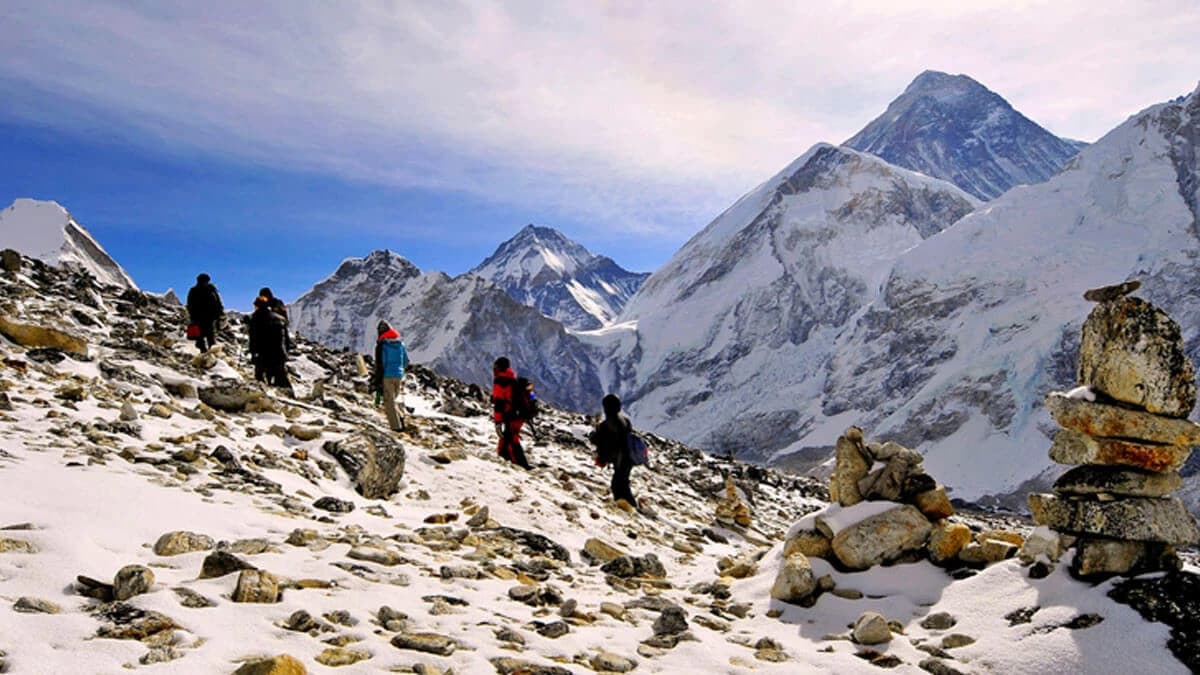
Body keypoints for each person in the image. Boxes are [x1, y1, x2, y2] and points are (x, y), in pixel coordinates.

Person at [588, 394, 638, 509]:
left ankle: (627, 508)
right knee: (622, 482)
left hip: (620, 459)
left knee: (618, 485)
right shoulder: (625, 420)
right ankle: (629, 506)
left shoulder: (607, 424)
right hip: (628, 457)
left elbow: (601, 440)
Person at [492, 356, 531, 469]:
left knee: (511, 437)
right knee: (508, 436)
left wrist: (497, 422)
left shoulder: (500, 381)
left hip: (511, 415)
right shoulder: (511, 379)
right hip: (518, 414)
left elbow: (499, 404)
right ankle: (505, 456)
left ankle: (521, 463)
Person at [371, 320, 410, 431]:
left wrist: (376, 380)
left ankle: (396, 427)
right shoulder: (400, 344)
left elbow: (380, 364)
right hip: (399, 375)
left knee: (389, 402)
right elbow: (406, 361)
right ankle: (400, 418)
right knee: (392, 400)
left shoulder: (382, 346)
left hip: (387, 375)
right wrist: (400, 370)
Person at [248, 295, 291, 390]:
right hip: (279, 352)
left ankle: (265, 396)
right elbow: (286, 337)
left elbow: (254, 337)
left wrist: (252, 352)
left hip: (263, 353)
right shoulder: (279, 318)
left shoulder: (255, 319)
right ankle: (288, 396)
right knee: (280, 376)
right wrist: (286, 350)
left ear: (257, 306)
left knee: (260, 377)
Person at [185, 273, 224, 353]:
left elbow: (190, 305)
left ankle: (206, 355)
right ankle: (208, 355)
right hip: (206, 319)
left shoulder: (195, 290)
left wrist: (192, 317)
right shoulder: (211, 290)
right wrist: (219, 315)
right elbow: (218, 304)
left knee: (203, 339)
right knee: (208, 338)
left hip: (203, 319)